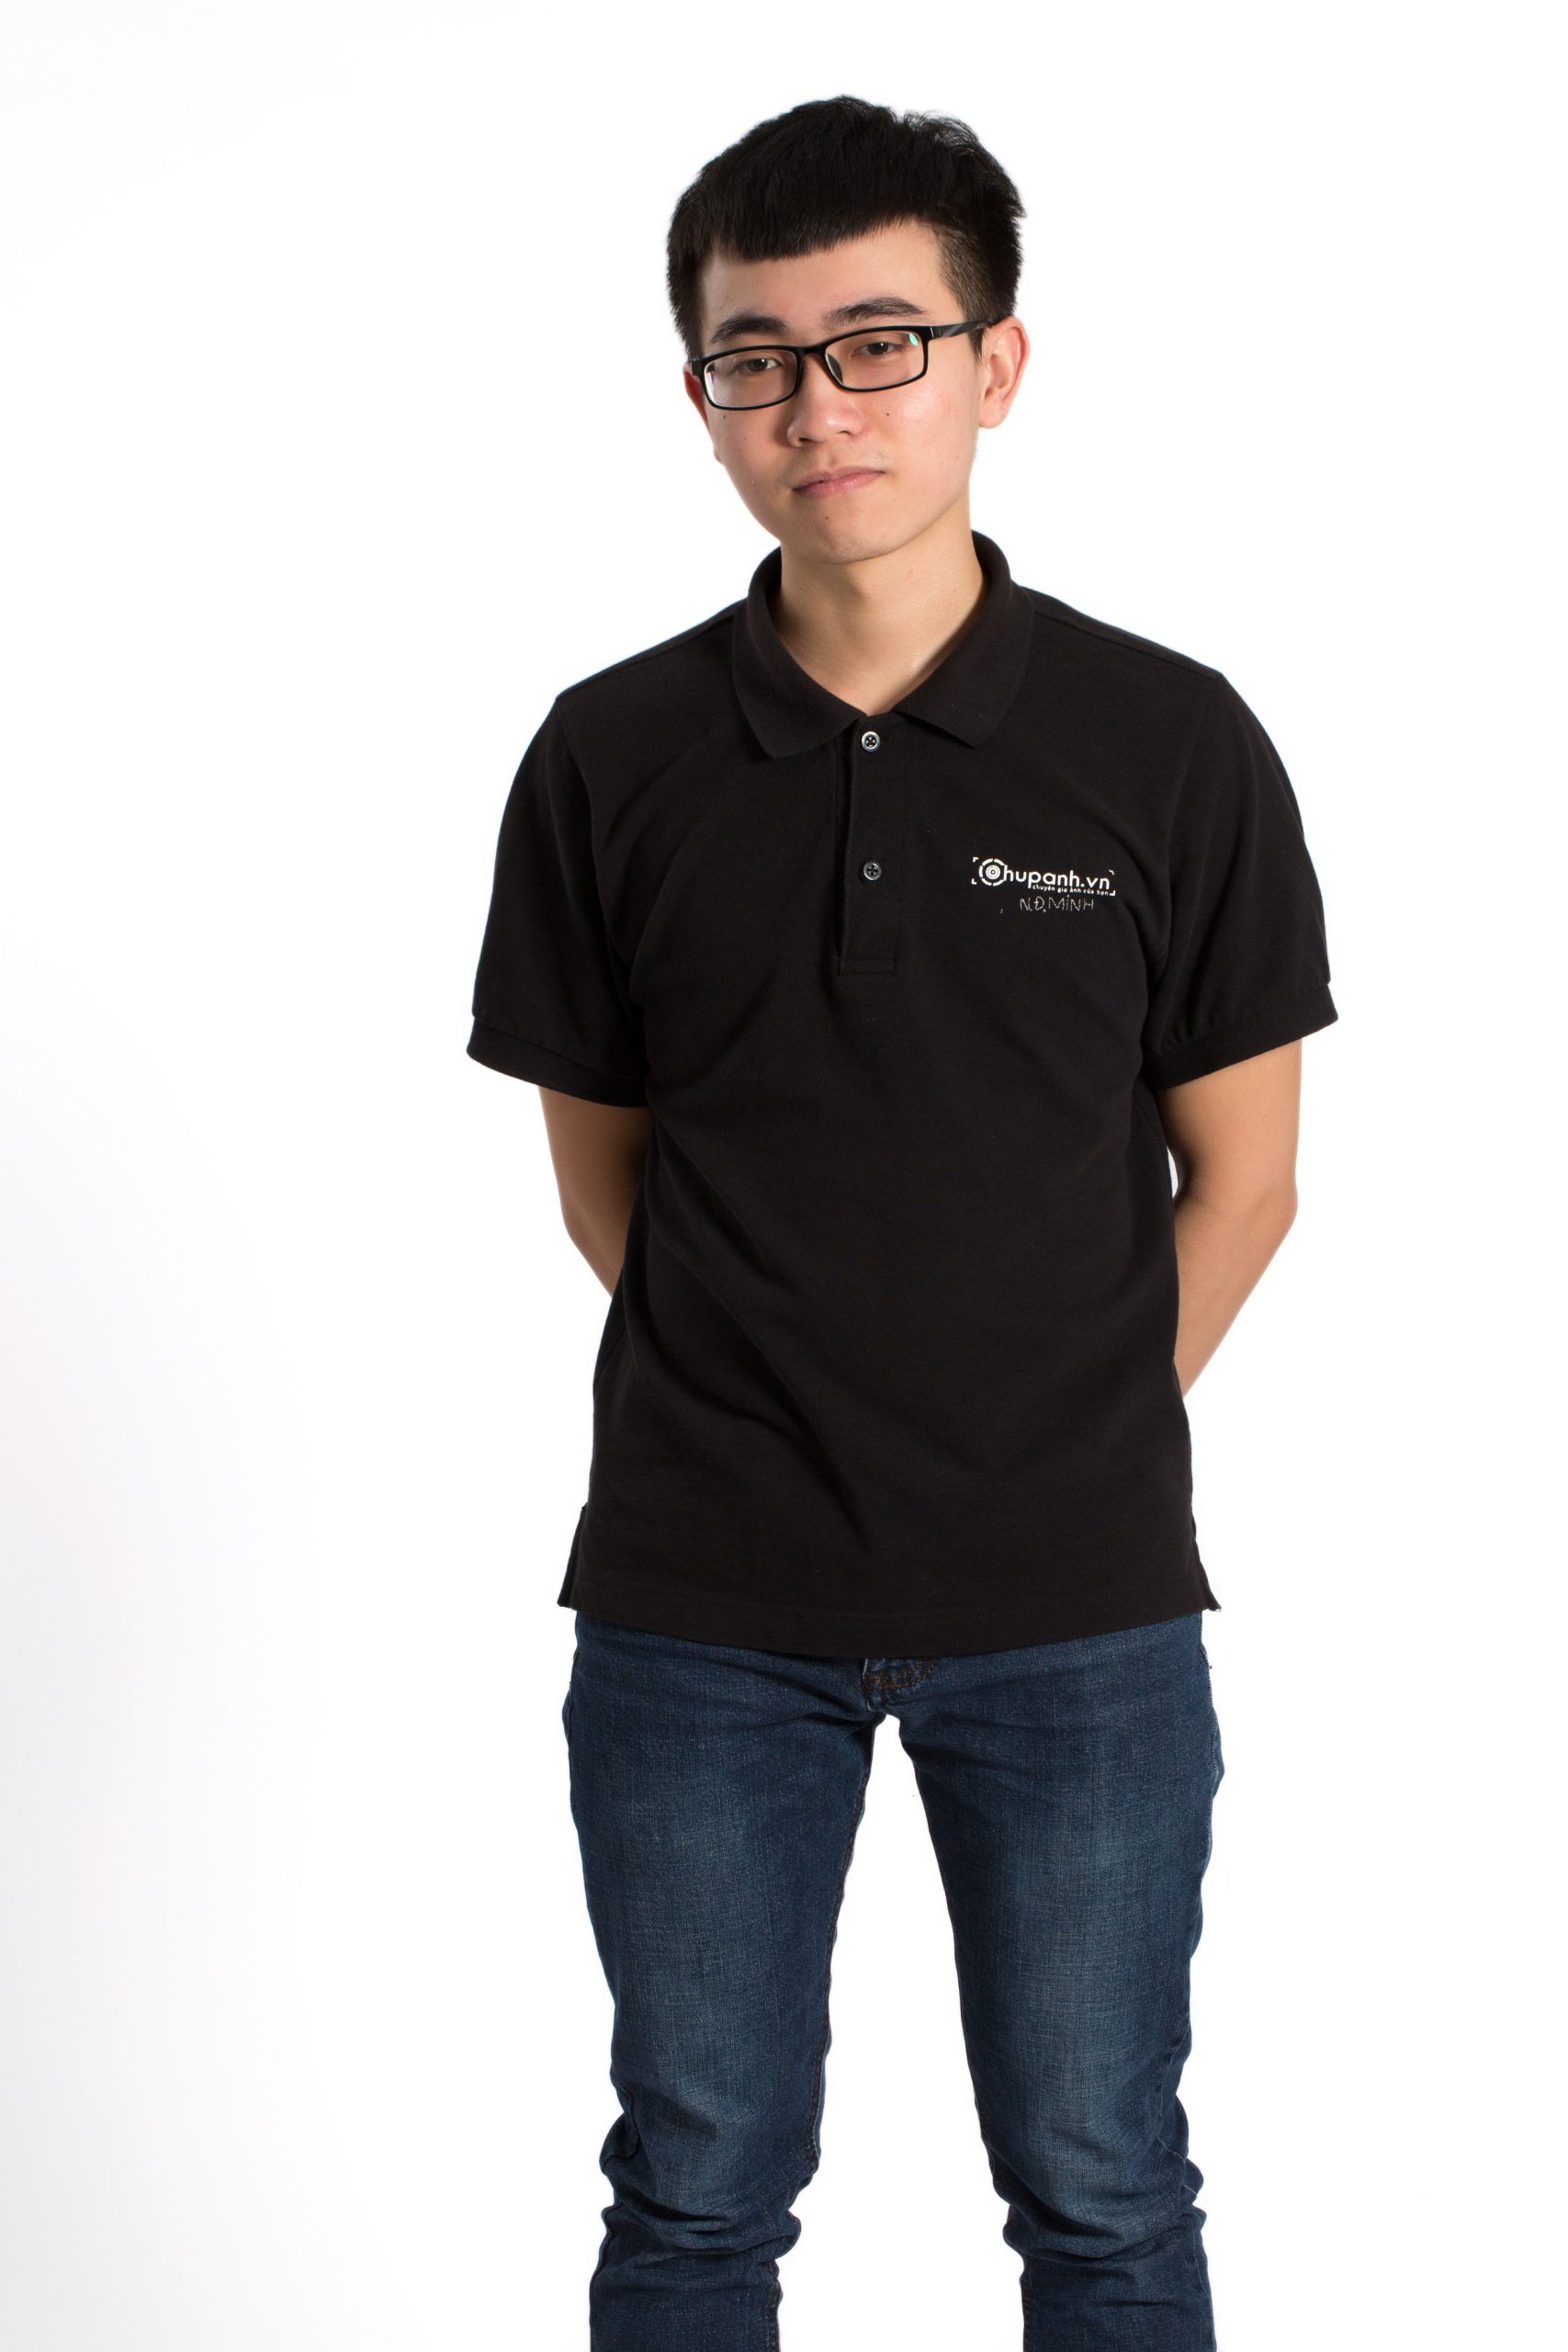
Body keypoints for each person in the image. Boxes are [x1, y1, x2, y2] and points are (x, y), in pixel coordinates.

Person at [467, 94, 1337, 2352]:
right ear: (699, 395)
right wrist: (790, 1405)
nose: (816, 406)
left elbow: (1243, 1177)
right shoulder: (608, 755)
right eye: (754, 358)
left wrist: (1041, 1425)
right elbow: (605, 1173)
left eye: (877, 343)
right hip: (696, 1603)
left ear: (992, 364)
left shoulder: (1168, 742)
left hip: (1074, 1609)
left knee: (1103, 2191)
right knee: (691, 2191)